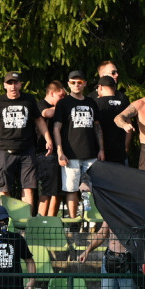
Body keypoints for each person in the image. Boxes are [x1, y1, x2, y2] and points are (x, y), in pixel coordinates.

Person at [0, 71, 53, 206]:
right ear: (4, 85)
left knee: (28, 188)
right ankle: (4, 223)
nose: (13, 86)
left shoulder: (29, 100)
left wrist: (48, 139)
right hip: (4, 151)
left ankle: (25, 224)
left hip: (27, 151)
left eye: (16, 83)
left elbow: (39, 120)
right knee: (4, 189)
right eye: (10, 83)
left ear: (20, 85)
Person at [52, 70, 104, 221]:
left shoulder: (91, 102)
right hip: (70, 154)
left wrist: (101, 149)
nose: (76, 85)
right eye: (73, 82)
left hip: (92, 154)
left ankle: (93, 221)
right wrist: (60, 151)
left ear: (85, 84)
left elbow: (97, 127)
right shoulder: (63, 103)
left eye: (79, 82)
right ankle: (74, 221)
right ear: (68, 84)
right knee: (71, 189)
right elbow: (56, 128)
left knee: (92, 189)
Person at [77, 222, 136, 289]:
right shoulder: (110, 210)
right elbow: (102, 233)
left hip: (129, 259)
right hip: (110, 258)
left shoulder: (130, 213)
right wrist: (87, 251)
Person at [35, 82, 66, 217]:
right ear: (52, 93)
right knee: (47, 191)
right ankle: (40, 223)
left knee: (58, 191)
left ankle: (51, 222)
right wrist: (64, 105)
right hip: (44, 153)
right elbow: (46, 113)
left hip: (59, 153)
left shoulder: (60, 107)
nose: (63, 98)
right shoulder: (41, 104)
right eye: (61, 95)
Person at [95, 75, 131, 166]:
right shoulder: (124, 101)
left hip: (102, 152)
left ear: (100, 87)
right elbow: (129, 127)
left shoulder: (96, 103)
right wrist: (126, 147)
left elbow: (96, 128)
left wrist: (100, 149)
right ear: (114, 87)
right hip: (120, 151)